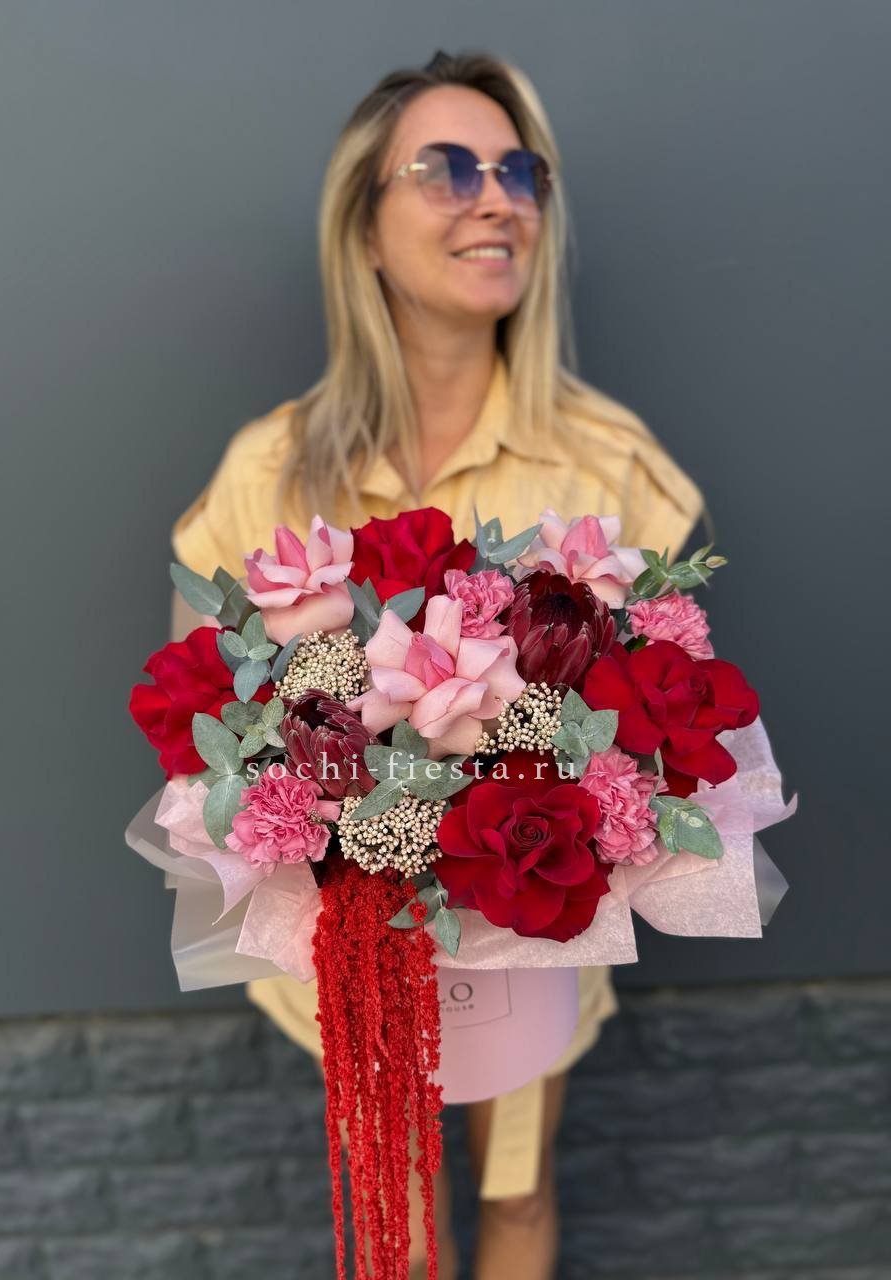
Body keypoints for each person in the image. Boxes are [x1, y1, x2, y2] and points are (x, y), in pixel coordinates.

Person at [170, 49, 708, 1280]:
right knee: (395, 1224)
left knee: (518, 1188)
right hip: (352, 944)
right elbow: (203, 715)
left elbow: (671, 713)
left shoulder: (608, 466)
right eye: (450, 170)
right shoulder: (271, 472)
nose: (496, 198)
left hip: (540, 925)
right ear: (365, 226)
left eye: (521, 172)